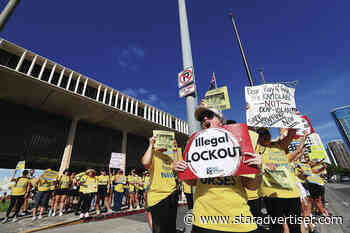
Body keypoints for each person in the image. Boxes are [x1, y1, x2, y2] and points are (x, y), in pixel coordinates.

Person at [174, 105, 261, 233]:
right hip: (203, 221)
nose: (204, 119)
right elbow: (192, 182)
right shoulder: (195, 146)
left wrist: (259, 170)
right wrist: (181, 171)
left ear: (221, 121)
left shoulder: (238, 142)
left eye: (209, 115)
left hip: (238, 221)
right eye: (201, 119)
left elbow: (252, 186)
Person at [255, 126, 303, 233]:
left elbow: (291, 134)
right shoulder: (256, 148)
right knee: (276, 227)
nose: (265, 136)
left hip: (291, 193)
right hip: (271, 193)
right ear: (257, 137)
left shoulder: (278, 145)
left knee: (295, 227)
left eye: (267, 133)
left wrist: (292, 119)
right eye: (261, 134)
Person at [141, 137, 182, 233]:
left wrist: (175, 150)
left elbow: (177, 168)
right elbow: (145, 162)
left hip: (172, 193)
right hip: (157, 196)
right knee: (159, 228)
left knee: (171, 226)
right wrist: (151, 144)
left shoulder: (170, 155)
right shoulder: (153, 154)